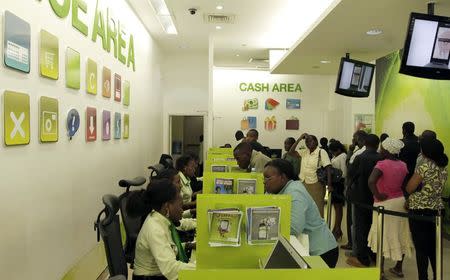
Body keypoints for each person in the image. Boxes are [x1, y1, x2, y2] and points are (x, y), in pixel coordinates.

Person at [263, 159, 339, 268]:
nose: (264, 181)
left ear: (283, 177)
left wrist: (265, 225)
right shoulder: (278, 190)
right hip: (304, 249)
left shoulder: (294, 192)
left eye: (268, 178)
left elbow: (294, 228)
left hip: (321, 252)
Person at [367, 138, 414, 278]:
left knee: (382, 234)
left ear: (387, 151)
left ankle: (380, 269)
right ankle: (398, 268)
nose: (380, 150)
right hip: (400, 202)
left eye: (382, 148)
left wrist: (378, 194)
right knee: (401, 233)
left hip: (384, 203)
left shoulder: (381, 164)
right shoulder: (403, 165)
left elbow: (371, 181)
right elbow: (404, 185)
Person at [132, 179, 196, 280]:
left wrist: (188, 245)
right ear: (167, 206)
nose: (182, 210)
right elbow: (171, 269)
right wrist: (203, 269)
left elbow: (168, 247)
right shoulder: (155, 228)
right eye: (180, 205)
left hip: (159, 274)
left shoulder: (161, 219)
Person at [406, 138, 448, 280]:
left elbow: (410, 187)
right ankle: (438, 275)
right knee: (434, 247)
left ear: (426, 151)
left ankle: (423, 277)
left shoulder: (424, 167)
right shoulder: (443, 168)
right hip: (437, 210)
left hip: (420, 211)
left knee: (421, 249)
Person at [346, 134, 381, 268]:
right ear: (378, 145)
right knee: (374, 226)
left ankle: (362, 258)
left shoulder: (360, 158)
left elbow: (351, 175)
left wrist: (349, 190)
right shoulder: (381, 158)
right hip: (375, 198)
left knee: (360, 227)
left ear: (365, 143)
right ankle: (373, 254)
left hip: (360, 197)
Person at [290, 133, 332, 217]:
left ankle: (318, 228)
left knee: (317, 208)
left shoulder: (321, 152)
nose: (308, 143)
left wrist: (329, 185)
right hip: (303, 183)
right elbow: (291, 152)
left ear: (316, 142)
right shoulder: (305, 152)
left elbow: (328, 168)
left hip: (316, 184)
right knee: (305, 208)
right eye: (306, 141)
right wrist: (299, 138)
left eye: (310, 141)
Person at [341, 130, 367, 251]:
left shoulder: (358, 153)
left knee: (352, 219)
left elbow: (349, 167)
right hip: (365, 191)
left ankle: (352, 244)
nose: (353, 140)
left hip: (354, 190)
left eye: (354, 138)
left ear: (359, 139)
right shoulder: (369, 151)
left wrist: (350, 149)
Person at [328, 140, 347, 241]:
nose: (332, 153)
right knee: (336, 208)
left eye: (333, 151)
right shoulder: (337, 156)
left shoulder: (343, 156)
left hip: (339, 184)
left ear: (338, 150)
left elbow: (344, 172)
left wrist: (334, 174)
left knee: (338, 208)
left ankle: (337, 229)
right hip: (335, 183)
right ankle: (336, 229)